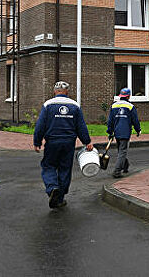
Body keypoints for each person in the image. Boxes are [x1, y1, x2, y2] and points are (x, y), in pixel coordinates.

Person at [33, 81, 93, 209]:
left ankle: (52, 187)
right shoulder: (75, 106)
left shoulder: (48, 105)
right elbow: (81, 126)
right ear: (67, 92)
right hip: (68, 142)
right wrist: (87, 142)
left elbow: (40, 125)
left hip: (52, 142)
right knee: (65, 168)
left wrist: (37, 142)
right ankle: (60, 198)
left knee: (48, 165)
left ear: (55, 91)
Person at [107, 87, 141, 178]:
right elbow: (135, 120)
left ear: (120, 96)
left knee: (121, 151)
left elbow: (110, 121)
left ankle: (125, 166)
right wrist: (138, 130)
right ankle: (117, 171)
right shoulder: (130, 106)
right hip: (125, 133)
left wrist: (110, 132)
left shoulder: (114, 106)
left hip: (117, 132)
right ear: (128, 96)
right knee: (122, 151)